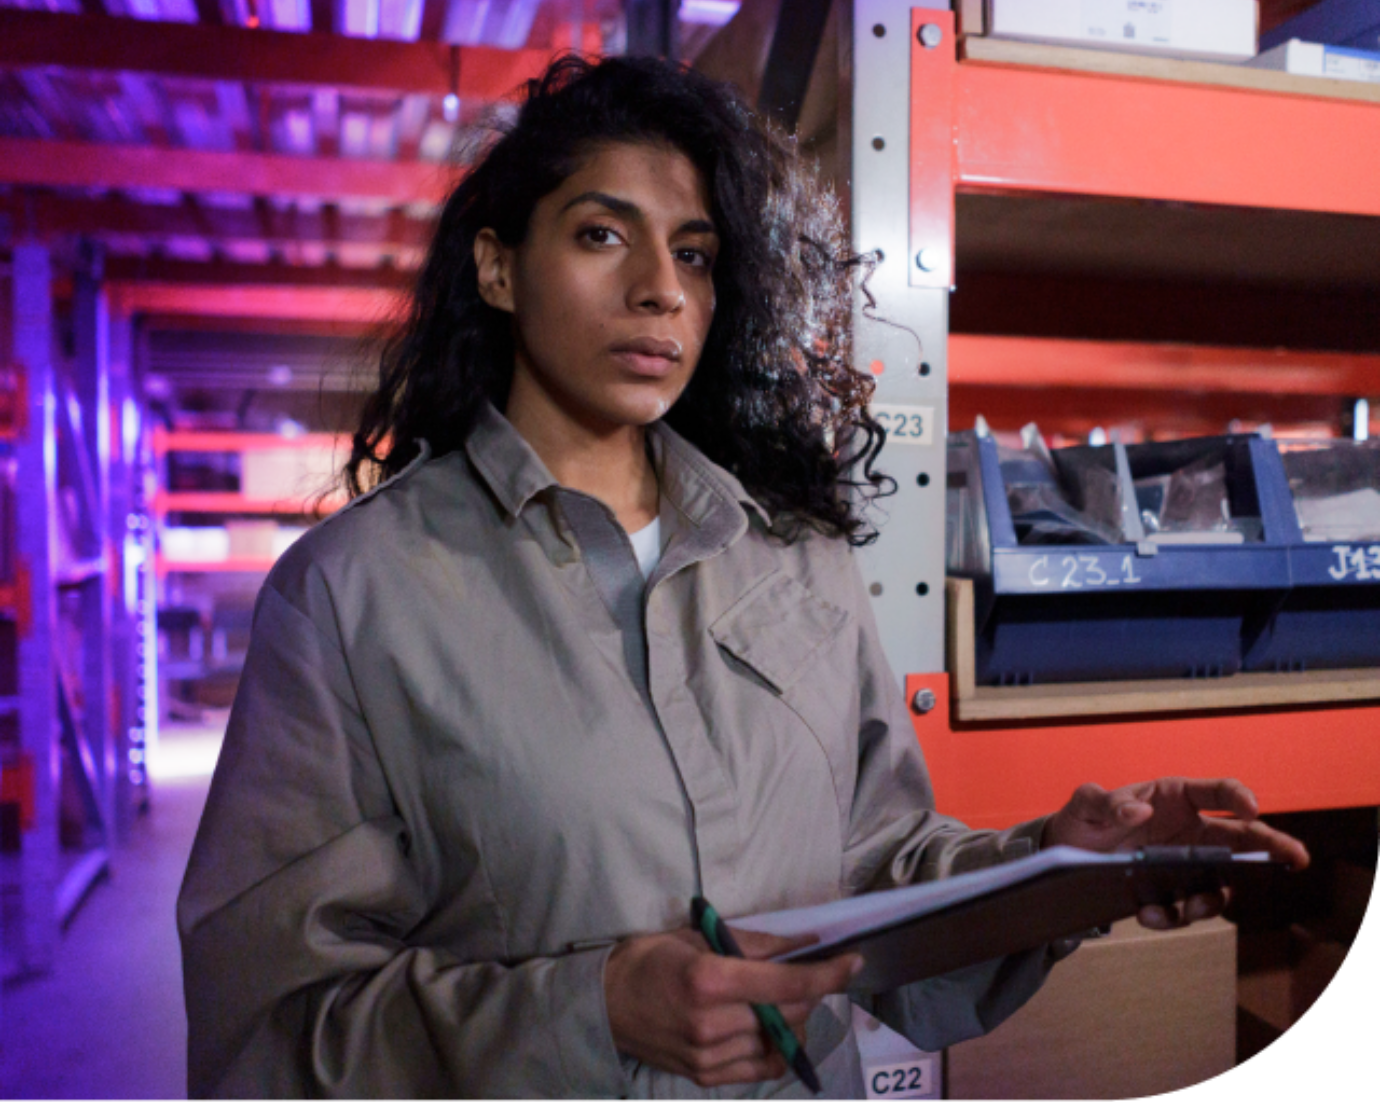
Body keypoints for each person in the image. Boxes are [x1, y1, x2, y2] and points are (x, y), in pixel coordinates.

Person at [177, 55, 1308, 1101]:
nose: (662, 289)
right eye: (602, 236)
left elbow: (877, 873)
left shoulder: (797, 558)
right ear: (498, 266)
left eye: (695, 253)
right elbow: (270, 1035)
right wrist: (590, 1009)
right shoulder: (353, 596)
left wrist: (1059, 869)